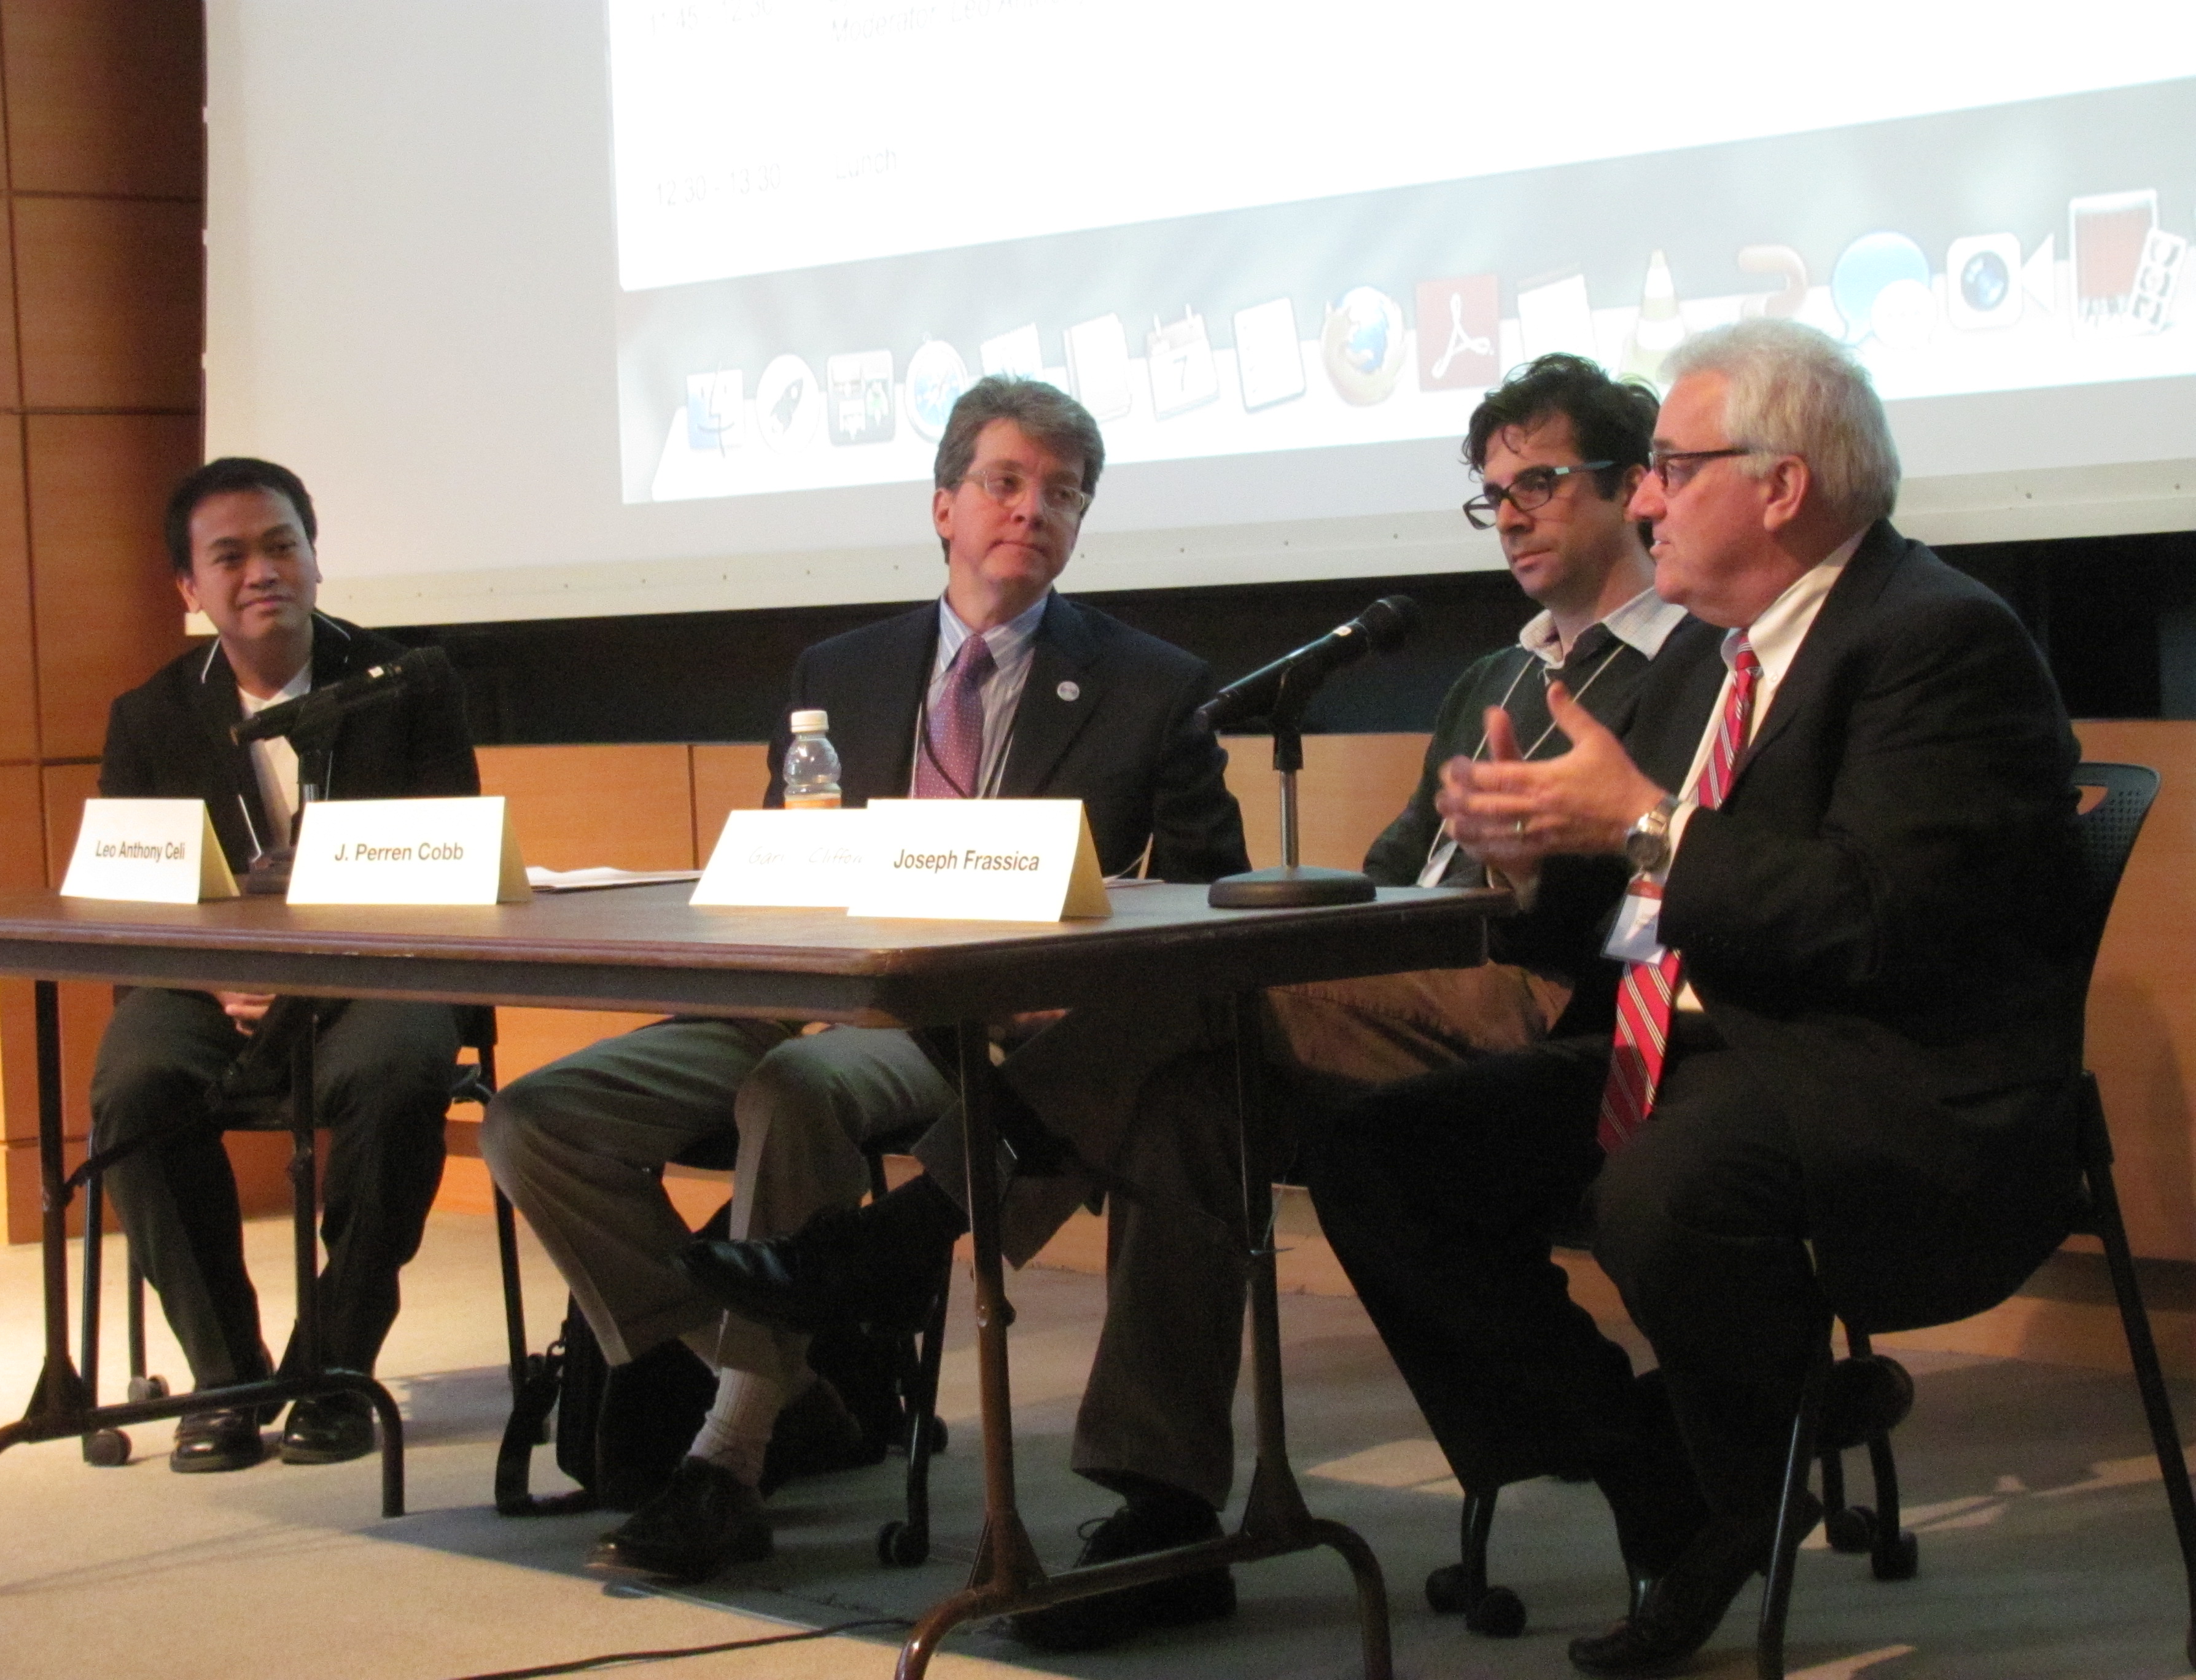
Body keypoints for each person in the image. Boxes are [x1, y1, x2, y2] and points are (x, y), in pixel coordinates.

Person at [686, 355, 1711, 1651]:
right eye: (1492, 495)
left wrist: (1544, 871)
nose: (1510, 516)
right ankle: (1167, 1515)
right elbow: (1398, 868)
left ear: (1632, 488)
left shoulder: (1696, 667)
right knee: (1184, 1099)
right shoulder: (1495, 678)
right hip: (1409, 990)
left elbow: (1680, 889)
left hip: (1558, 1011)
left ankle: (898, 1245)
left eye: (1541, 484)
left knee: (1191, 994)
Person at [1305, 319, 2084, 1676]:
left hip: (1885, 1071)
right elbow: (1630, 913)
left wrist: (1644, 824)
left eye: (1671, 467)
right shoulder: (1708, 659)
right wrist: (1527, 860)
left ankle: (1735, 1464)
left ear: (1781, 485)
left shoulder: (1939, 639)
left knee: (1663, 1191)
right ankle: (1664, 1467)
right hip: (1705, 1048)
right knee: (1382, 1153)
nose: (1648, 499)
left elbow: (1874, 920)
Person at [480, 375, 1248, 1580]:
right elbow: (784, 861)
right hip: (797, 992)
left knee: (797, 1091)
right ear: (944, 506)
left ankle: (728, 1457)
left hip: (965, 1024)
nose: (1032, 509)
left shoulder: (1151, 684)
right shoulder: (839, 669)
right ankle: (788, 1380)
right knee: (534, 1121)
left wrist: (1087, 973)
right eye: (1005, 482)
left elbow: (1209, 899)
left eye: (1063, 494)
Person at [91, 457, 479, 1472]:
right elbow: (131, 894)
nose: (262, 571)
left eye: (281, 546)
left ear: (314, 558)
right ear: (190, 588)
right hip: (209, 981)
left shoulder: (406, 684)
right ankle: (227, 1378)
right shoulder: (150, 715)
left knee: (398, 1071)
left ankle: (333, 1368)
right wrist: (213, 971)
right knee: (134, 1081)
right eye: (230, 557)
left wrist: (327, 969)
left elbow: (456, 863)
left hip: (375, 972)